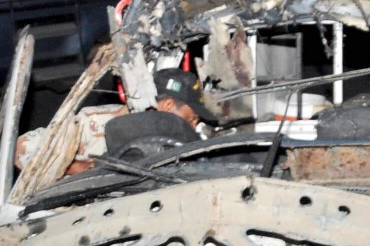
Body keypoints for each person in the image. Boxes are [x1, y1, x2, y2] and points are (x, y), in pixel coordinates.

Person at [15, 68, 220, 175]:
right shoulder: (95, 124)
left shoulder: (172, 140)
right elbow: (22, 148)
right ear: (167, 106)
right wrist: (73, 166)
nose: (194, 126)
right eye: (191, 117)